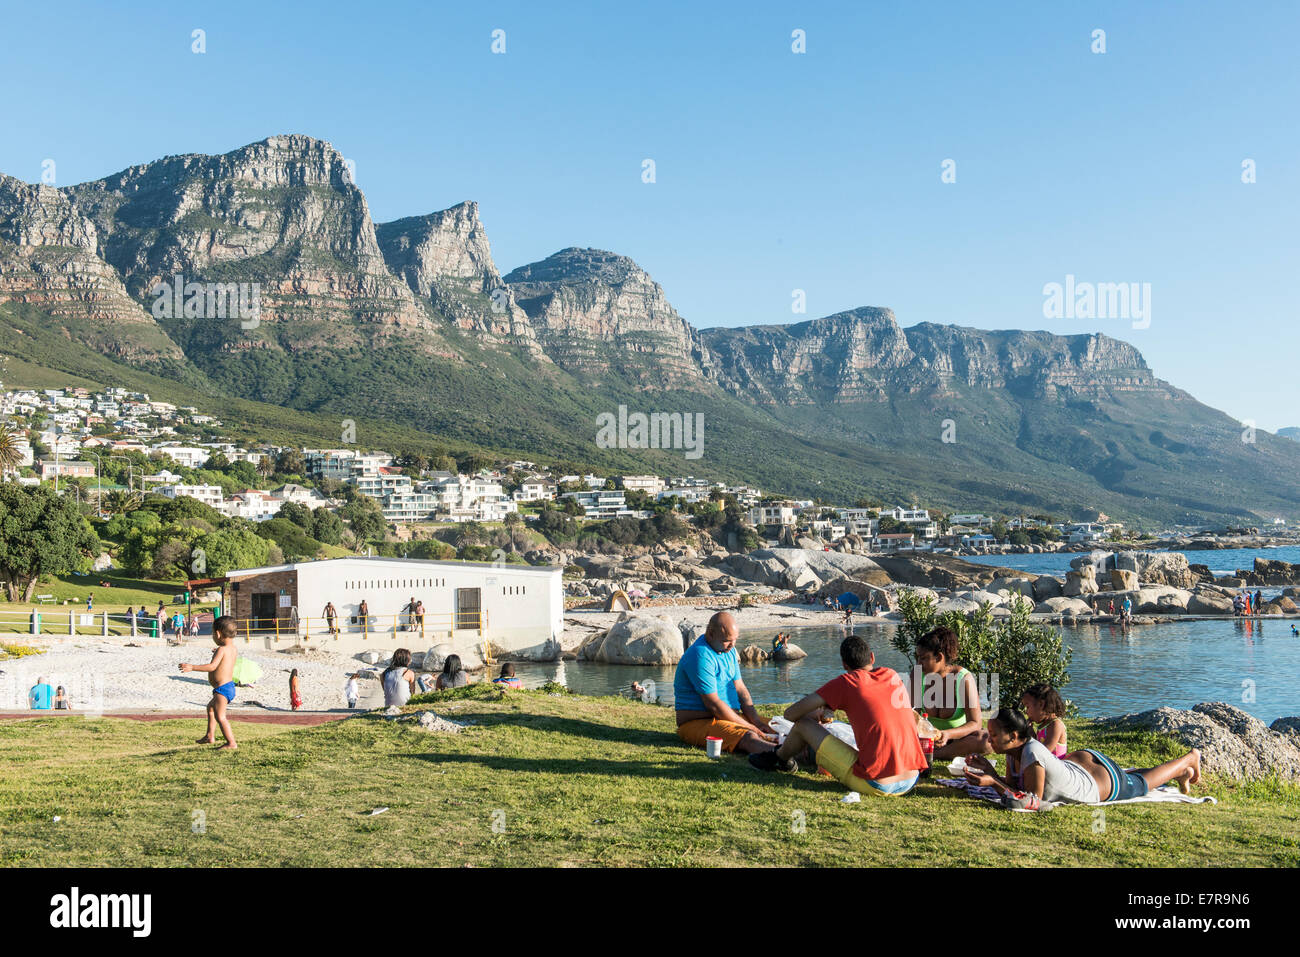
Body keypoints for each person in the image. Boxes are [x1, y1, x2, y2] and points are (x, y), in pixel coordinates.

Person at [750, 635, 928, 796]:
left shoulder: (847, 682)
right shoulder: (891, 675)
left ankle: (779, 759)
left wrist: (820, 710)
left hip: (876, 784)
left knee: (803, 724)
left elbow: (790, 714)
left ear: (844, 665)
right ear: (872, 657)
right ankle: (781, 758)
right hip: (911, 779)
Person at [964, 708, 1201, 810]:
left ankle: (1188, 759)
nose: (989, 739)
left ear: (1014, 736)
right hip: (1079, 763)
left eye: (994, 735)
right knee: (1133, 774)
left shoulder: (1031, 753)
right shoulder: (1013, 751)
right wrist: (991, 773)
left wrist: (993, 783)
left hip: (1098, 784)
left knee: (1142, 783)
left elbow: (1032, 801)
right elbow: (1016, 787)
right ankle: (1181, 773)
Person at [673, 611, 778, 755]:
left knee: (775, 726)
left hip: (728, 716)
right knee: (749, 736)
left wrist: (756, 722)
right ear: (710, 634)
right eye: (727, 640)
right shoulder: (700, 655)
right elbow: (714, 704)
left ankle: (807, 751)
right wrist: (752, 728)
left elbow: (740, 688)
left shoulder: (728, 651)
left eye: (735, 640)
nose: (732, 645)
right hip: (699, 721)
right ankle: (784, 756)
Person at [913, 626, 990, 760]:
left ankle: (932, 755)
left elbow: (975, 723)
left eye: (923, 658)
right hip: (925, 739)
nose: (918, 663)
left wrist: (947, 734)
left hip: (956, 740)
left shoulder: (963, 679)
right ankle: (928, 753)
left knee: (985, 740)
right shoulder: (918, 675)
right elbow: (912, 714)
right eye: (917, 657)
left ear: (939, 657)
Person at [179, 615, 239, 750]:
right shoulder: (232, 648)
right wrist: (218, 652)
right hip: (227, 687)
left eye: (213, 633)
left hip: (222, 689)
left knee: (220, 716)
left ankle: (231, 743)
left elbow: (212, 667)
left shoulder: (222, 650)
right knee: (210, 708)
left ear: (218, 634)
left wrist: (192, 667)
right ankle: (209, 736)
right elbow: (226, 659)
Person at [1021, 683, 1067, 757]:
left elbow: (1045, 751)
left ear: (1041, 704)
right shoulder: (1043, 725)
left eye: (1028, 707)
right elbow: (1036, 744)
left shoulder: (1056, 724)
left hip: (1055, 766)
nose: (1026, 712)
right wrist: (1030, 731)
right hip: (1044, 765)